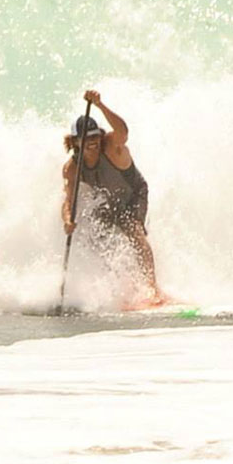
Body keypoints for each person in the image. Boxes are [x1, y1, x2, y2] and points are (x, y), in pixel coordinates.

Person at [62, 90, 163, 305]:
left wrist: (99, 105)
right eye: (87, 138)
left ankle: (152, 289)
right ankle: (122, 286)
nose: (93, 142)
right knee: (96, 235)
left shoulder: (111, 145)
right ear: (75, 142)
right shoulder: (72, 168)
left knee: (133, 229)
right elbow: (68, 199)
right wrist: (67, 221)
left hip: (134, 194)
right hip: (109, 200)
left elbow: (123, 131)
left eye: (95, 136)